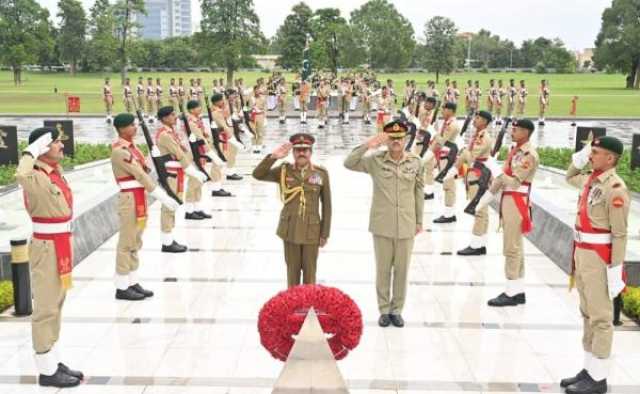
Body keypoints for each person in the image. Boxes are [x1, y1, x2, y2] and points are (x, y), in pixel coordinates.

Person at [561, 136, 629, 394]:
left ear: (610, 158)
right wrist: (583, 153)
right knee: (587, 313)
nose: (591, 156)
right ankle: (588, 369)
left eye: (597, 152)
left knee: (601, 318)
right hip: (582, 254)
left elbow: (620, 234)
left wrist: (615, 269)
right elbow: (569, 176)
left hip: (599, 259)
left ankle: (598, 378)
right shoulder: (591, 180)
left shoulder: (615, 188)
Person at [16, 127, 83, 387]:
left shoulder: (55, 174)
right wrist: (30, 151)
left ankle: (53, 359)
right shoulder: (33, 175)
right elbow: (20, 173)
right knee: (45, 308)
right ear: (42, 148)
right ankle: (46, 370)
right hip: (46, 247)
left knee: (56, 304)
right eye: (55, 142)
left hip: (61, 242)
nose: (61, 146)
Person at [344, 121, 425, 328]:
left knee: (402, 270)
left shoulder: (416, 162)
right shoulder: (375, 161)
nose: (396, 142)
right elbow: (349, 163)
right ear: (386, 140)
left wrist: (419, 220)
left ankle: (397, 310)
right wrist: (368, 145)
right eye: (392, 138)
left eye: (399, 138)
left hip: (406, 224)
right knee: (383, 270)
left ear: (406, 139)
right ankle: (384, 310)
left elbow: (419, 192)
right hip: (382, 224)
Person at [110, 113, 180, 300]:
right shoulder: (120, 151)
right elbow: (140, 175)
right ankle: (122, 286)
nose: (135, 128)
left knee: (135, 241)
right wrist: (161, 195)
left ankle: (132, 281)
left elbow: (146, 169)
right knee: (126, 243)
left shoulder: (133, 149)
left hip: (138, 197)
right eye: (132, 125)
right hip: (129, 199)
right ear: (122, 128)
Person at [252, 133, 332, 288]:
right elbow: (258, 174)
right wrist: (274, 157)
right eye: (297, 150)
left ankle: (308, 308)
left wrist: (324, 233)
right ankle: (293, 308)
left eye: (305, 149)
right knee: (292, 273)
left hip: (311, 230)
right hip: (290, 229)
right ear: (293, 152)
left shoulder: (320, 173)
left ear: (311, 152)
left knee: (310, 274)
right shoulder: (283, 171)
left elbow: (327, 205)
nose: (301, 153)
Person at [475, 119, 539, 307]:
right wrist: (485, 198)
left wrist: (495, 170)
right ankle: (517, 290)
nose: (512, 132)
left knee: (511, 247)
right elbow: (502, 179)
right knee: (515, 246)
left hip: (517, 202)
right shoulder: (516, 150)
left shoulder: (529, 154)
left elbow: (514, 182)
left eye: (516, 129)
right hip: (509, 200)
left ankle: (511, 291)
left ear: (526, 133)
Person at [154, 106, 208, 252]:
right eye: (172, 115)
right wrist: (193, 171)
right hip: (171, 174)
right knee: (169, 207)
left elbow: (182, 151)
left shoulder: (170, 132)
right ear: (164, 118)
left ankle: (169, 239)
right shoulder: (165, 135)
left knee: (173, 206)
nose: (175, 117)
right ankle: (167, 242)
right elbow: (179, 153)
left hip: (176, 172)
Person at [443, 111, 494, 255]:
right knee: (482, 211)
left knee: (479, 211)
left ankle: (476, 245)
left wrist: (463, 153)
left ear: (484, 121)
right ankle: (481, 243)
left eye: (477, 118)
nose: (474, 120)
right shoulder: (479, 135)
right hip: (476, 174)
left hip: (478, 176)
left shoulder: (483, 137)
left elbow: (472, 156)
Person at [427, 102, 460, 223]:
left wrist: (433, 133)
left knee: (448, 185)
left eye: (444, 109)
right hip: (444, 155)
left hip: (448, 155)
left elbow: (442, 141)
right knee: (447, 185)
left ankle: (449, 215)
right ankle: (448, 213)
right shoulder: (448, 123)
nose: (442, 111)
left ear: (450, 110)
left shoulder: (452, 125)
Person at [183, 100, 215, 219]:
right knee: (193, 183)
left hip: (199, 152)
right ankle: (189, 211)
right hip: (193, 154)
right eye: (198, 107)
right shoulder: (191, 122)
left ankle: (197, 208)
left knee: (199, 182)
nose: (200, 109)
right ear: (191, 110)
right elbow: (199, 137)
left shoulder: (197, 120)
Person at [209, 93, 243, 196]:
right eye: (222, 100)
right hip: (220, 139)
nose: (224, 101)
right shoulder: (216, 112)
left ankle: (229, 173)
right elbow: (224, 126)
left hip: (225, 137)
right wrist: (233, 139)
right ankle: (216, 188)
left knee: (230, 155)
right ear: (217, 102)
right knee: (217, 164)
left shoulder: (220, 110)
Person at [249, 85, 267, 153]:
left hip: (260, 115)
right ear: (254, 90)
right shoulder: (251, 98)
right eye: (256, 89)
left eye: (258, 89)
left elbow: (265, 107)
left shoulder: (263, 98)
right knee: (253, 132)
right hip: (252, 116)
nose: (257, 91)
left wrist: (265, 115)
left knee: (260, 132)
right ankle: (254, 147)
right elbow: (247, 107)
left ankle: (259, 147)